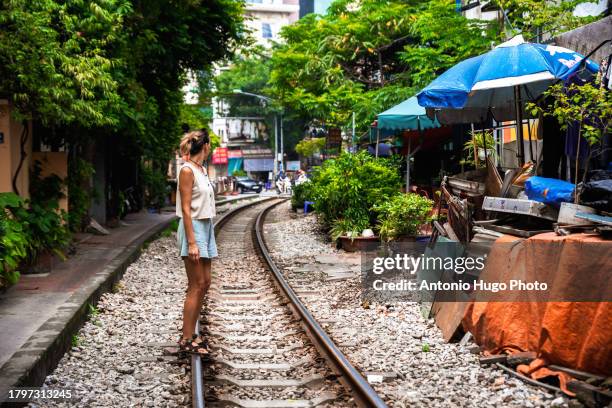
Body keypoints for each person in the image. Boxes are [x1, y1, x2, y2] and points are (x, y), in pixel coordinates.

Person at [175, 129, 216, 356]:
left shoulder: (201, 170)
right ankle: (186, 337)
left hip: (206, 227)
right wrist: (192, 242)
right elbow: (185, 208)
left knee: (206, 282)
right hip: (194, 228)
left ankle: (192, 334)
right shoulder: (187, 170)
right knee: (196, 284)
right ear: (206, 146)